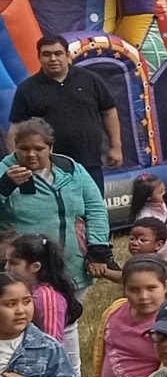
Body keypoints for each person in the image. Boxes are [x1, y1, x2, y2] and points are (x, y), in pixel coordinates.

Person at [0, 117, 112, 291]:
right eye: (24, 148)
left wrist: (98, 249)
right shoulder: (4, 171)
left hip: (71, 267)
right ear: (15, 147)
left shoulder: (71, 168)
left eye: (38, 149)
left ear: (51, 148)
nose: (31, 154)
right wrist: (4, 186)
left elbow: (95, 208)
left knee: (70, 316)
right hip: (25, 272)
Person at [7, 34, 120, 186]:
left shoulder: (90, 79)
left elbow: (109, 112)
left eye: (58, 53)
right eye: (46, 54)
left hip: (89, 163)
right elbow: (16, 129)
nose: (53, 59)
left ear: (67, 56)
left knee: (94, 209)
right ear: (39, 58)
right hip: (47, 168)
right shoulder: (27, 89)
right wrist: (15, 163)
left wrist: (116, 147)